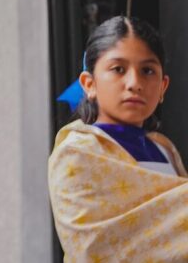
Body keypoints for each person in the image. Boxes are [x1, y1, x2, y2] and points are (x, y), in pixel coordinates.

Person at [49, 16, 188, 260]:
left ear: (163, 87)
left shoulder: (165, 149)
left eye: (147, 71)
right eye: (118, 69)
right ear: (89, 84)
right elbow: (92, 246)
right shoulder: (77, 153)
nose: (134, 83)